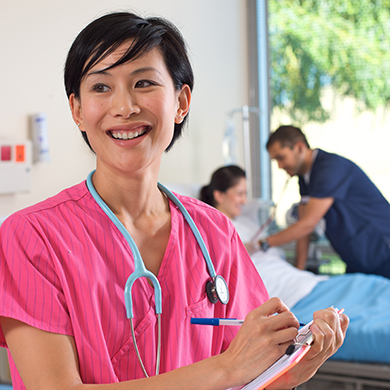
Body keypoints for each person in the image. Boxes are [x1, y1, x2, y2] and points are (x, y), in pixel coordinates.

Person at [0, 13, 348, 390]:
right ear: (78, 111)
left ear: (181, 101)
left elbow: (250, 379)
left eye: (144, 83)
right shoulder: (31, 236)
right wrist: (227, 368)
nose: (124, 106)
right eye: (101, 87)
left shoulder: (215, 233)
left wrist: (294, 370)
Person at [201, 165, 390, 364]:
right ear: (219, 195)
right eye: (239, 194)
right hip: (288, 294)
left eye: (245, 194)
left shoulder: (247, 224)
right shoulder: (214, 229)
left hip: (305, 282)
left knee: (374, 287)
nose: (245, 201)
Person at [261, 125, 390, 278]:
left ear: (299, 147)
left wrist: (263, 244)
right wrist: (299, 272)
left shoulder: (330, 168)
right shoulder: (304, 178)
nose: (280, 166)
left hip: (381, 249)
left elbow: (307, 224)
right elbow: (303, 227)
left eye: (281, 158)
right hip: (358, 255)